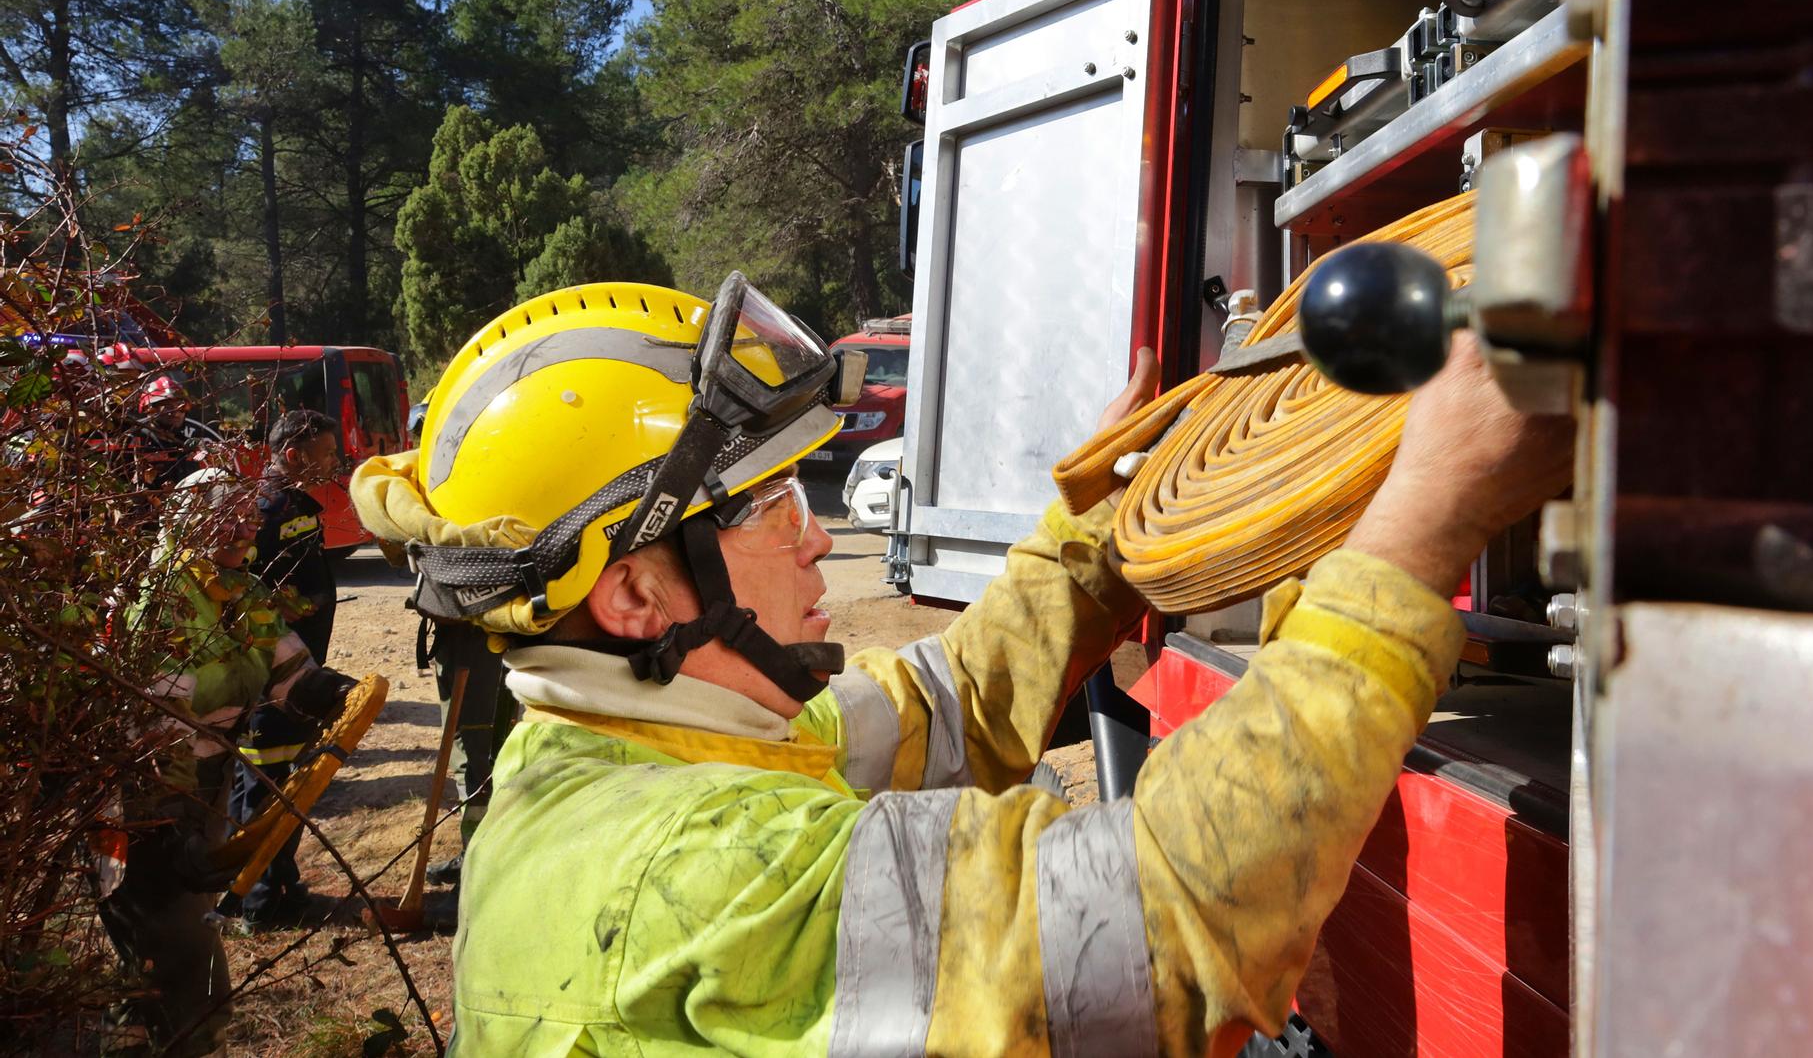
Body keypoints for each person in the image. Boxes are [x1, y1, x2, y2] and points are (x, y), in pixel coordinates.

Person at [351, 277, 1569, 1057]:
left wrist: (1108, 528)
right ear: (630, 593)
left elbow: (947, 703)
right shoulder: (701, 865)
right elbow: (1152, 927)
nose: (817, 531)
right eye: (765, 502)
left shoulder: (639, 744)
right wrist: (1419, 526)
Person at [100, 468, 358, 1056]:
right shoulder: (160, 597)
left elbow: (284, 669)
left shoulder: (240, 591)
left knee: (160, 945)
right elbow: (157, 731)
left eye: (250, 516)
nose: (248, 528)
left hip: (202, 784)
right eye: (230, 516)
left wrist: (330, 693)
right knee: (181, 942)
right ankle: (190, 1042)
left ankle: (134, 1037)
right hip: (146, 797)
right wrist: (172, 825)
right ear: (192, 521)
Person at [223, 409, 342, 927]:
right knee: (265, 787)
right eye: (328, 452)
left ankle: (282, 885)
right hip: (272, 678)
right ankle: (257, 903)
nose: (335, 461)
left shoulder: (294, 502)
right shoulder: (266, 508)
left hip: (296, 671)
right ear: (294, 455)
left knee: (284, 780)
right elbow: (243, 589)